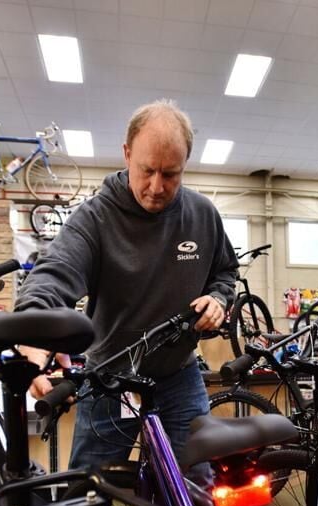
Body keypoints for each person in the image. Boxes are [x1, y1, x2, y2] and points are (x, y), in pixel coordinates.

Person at [15, 99, 239, 475]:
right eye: (147, 170)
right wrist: (34, 331)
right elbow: (55, 273)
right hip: (110, 380)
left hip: (179, 376)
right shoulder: (94, 218)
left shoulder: (202, 215)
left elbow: (225, 272)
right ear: (126, 153)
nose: (156, 186)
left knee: (197, 492)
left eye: (171, 174)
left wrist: (218, 298)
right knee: (90, 500)